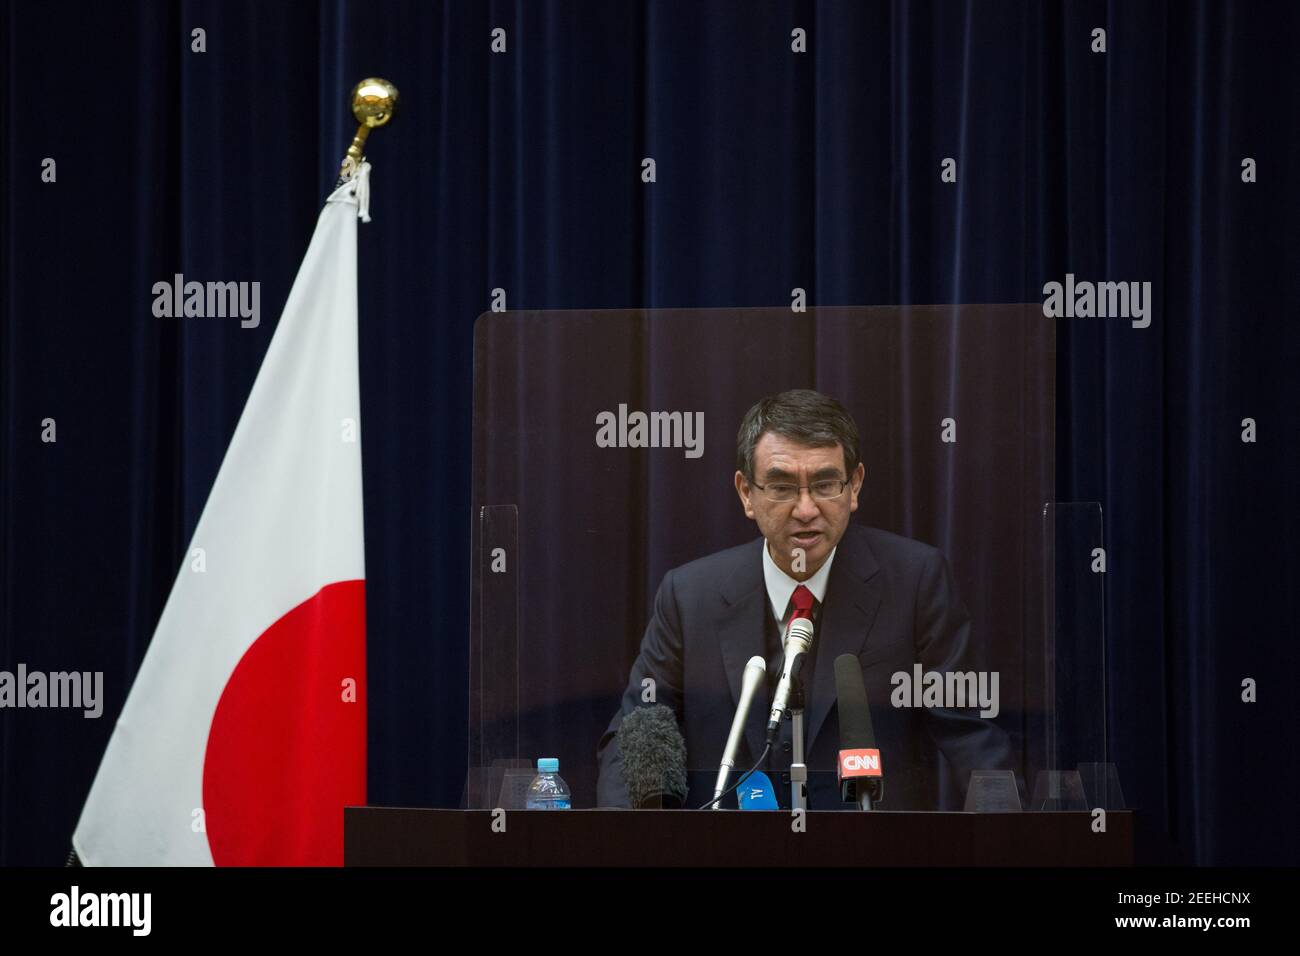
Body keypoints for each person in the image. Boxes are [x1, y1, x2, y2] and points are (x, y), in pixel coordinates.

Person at [596, 388, 1013, 809]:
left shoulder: (916, 581)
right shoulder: (689, 597)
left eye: (825, 484)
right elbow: (636, 732)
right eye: (781, 487)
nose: (806, 508)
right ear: (746, 493)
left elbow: (973, 740)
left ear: (854, 487)